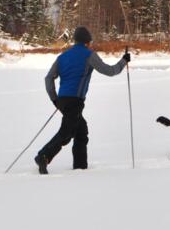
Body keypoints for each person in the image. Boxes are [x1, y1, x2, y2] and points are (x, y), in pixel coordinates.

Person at [35, 26, 131, 174]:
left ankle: (80, 167)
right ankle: (44, 155)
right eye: (90, 42)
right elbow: (110, 71)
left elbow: (48, 79)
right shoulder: (89, 55)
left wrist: (55, 100)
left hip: (62, 100)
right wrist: (124, 61)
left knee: (81, 131)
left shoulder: (62, 56)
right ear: (87, 42)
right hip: (75, 102)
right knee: (66, 132)